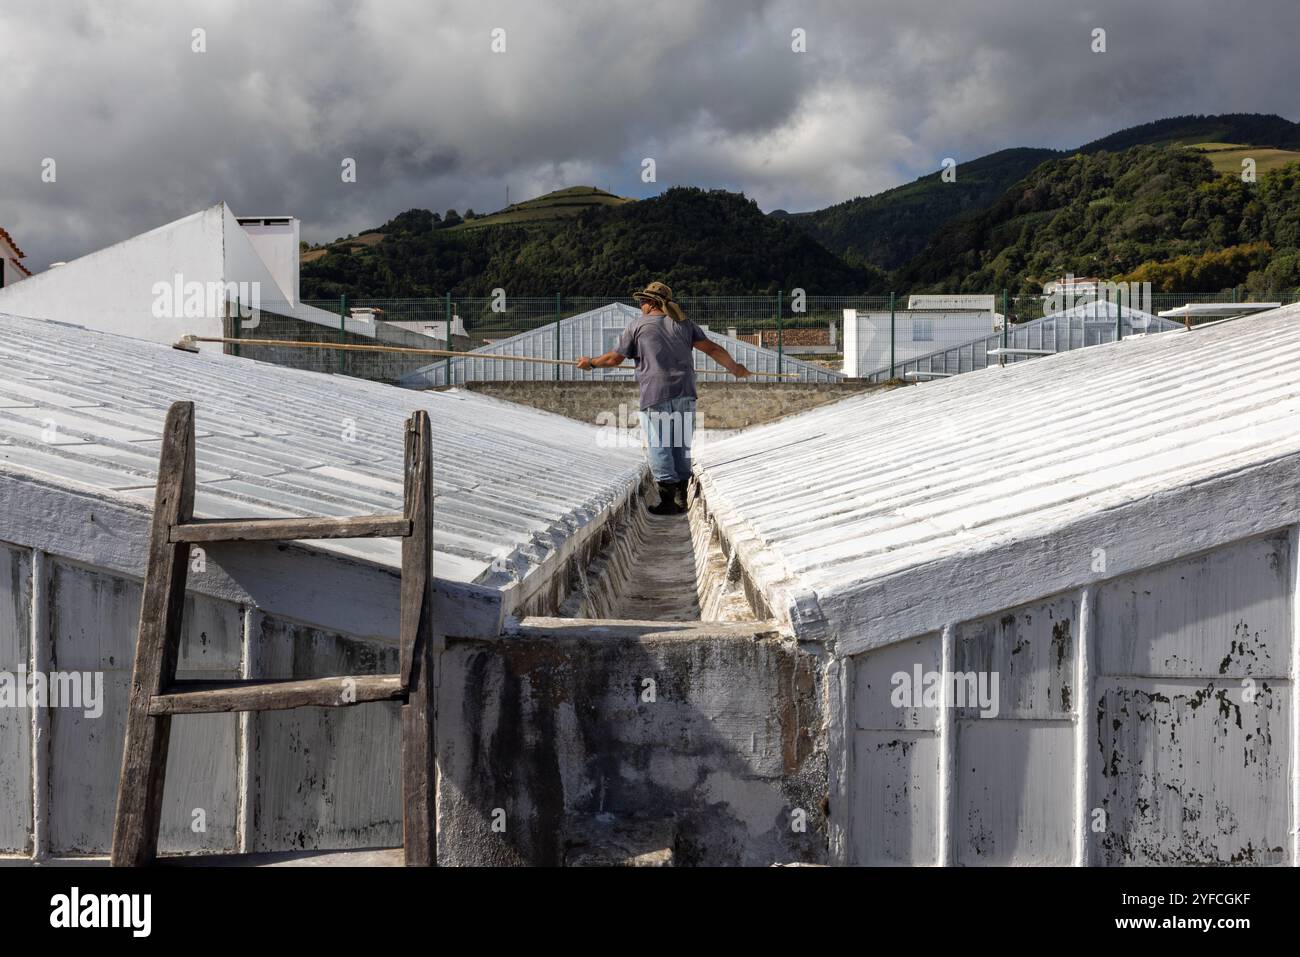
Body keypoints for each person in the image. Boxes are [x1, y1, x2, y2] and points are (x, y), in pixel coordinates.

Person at [577, 281, 750, 515]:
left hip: (655, 394)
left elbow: (613, 360)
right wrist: (735, 368)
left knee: (660, 445)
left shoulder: (637, 327)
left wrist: (590, 363)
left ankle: (668, 501)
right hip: (685, 392)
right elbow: (713, 349)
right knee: (680, 444)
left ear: (650, 303)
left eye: (641, 302)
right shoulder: (684, 324)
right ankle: (680, 497)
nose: (640, 306)